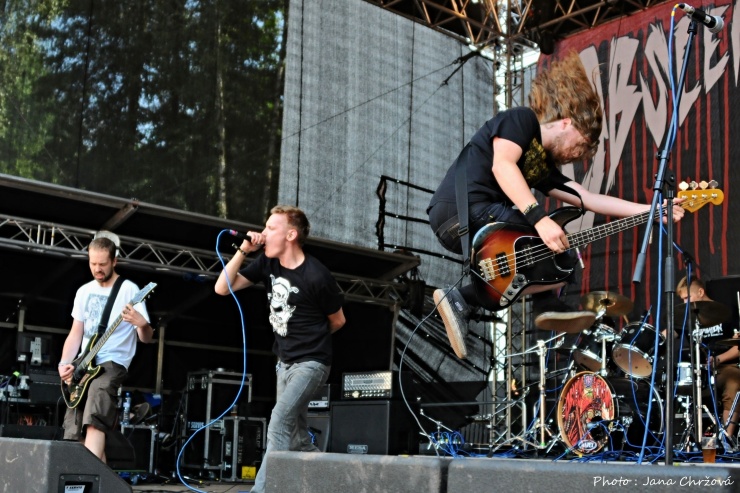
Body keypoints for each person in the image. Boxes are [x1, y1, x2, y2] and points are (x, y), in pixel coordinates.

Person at [427, 52, 685, 359]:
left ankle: (464, 299)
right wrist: (539, 219)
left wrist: (652, 210)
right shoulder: (521, 120)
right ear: (566, 123)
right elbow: (503, 165)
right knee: (553, 241)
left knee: (563, 261)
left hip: (480, 228)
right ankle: (543, 301)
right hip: (459, 211)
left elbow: (587, 198)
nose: (578, 154)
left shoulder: (541, 165)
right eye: (581, 143)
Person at [215, 205, 345, 493]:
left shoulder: (316, 276)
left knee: (279, 422)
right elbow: (222, 288)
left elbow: (338, 320)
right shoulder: (267, 263)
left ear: (290, 235)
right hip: (283, 363)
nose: (263, 233)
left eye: (271, 228)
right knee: (298, 439)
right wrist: (244, 250)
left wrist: (310, 340)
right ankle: (336, 482)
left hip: (311, 363)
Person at [58, 236, 153, 461]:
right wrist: (64, 363)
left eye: (102, 264)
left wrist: (142, 324)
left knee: (94, 419)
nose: (97, 269)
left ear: (114, 261)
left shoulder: (129, 290)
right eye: (93, 263)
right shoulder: (84, 291)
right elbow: (76, 333)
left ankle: (87, 473)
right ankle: (98, 477)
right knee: (74, 429)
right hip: (84, 363)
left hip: (112, 362)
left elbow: (146, 338)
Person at [676, 276, 740, 438]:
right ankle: (685, 439)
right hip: (698, 369)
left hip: (724, 366)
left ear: (700, 292)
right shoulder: (687, 318)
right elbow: (667, 333)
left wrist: (718, 360)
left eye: (687, 298)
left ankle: (727, 439)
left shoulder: (725, 313)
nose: (684, 303)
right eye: (682, 299)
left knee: (733, 382)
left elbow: (738, 347)